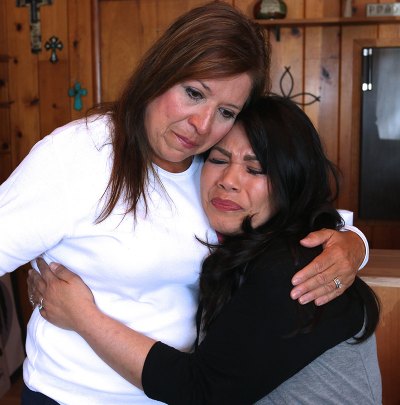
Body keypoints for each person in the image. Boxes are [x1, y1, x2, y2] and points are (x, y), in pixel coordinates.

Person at [0, 2, 366, 404]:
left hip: (173, 391)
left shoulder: (211, 164)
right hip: (74, 395)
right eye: (193, 93)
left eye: (225, 111)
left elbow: (295, 214)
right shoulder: (80, 155)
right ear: (162, 70)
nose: (202, 126)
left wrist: (353, 244)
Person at [29, 96, 381, 405]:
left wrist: (81, 316)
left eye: (255, 168)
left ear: (291, 182)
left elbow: (200, 392)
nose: (228, 180)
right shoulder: (245, 238)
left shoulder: (295, 268)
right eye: (217, 159)